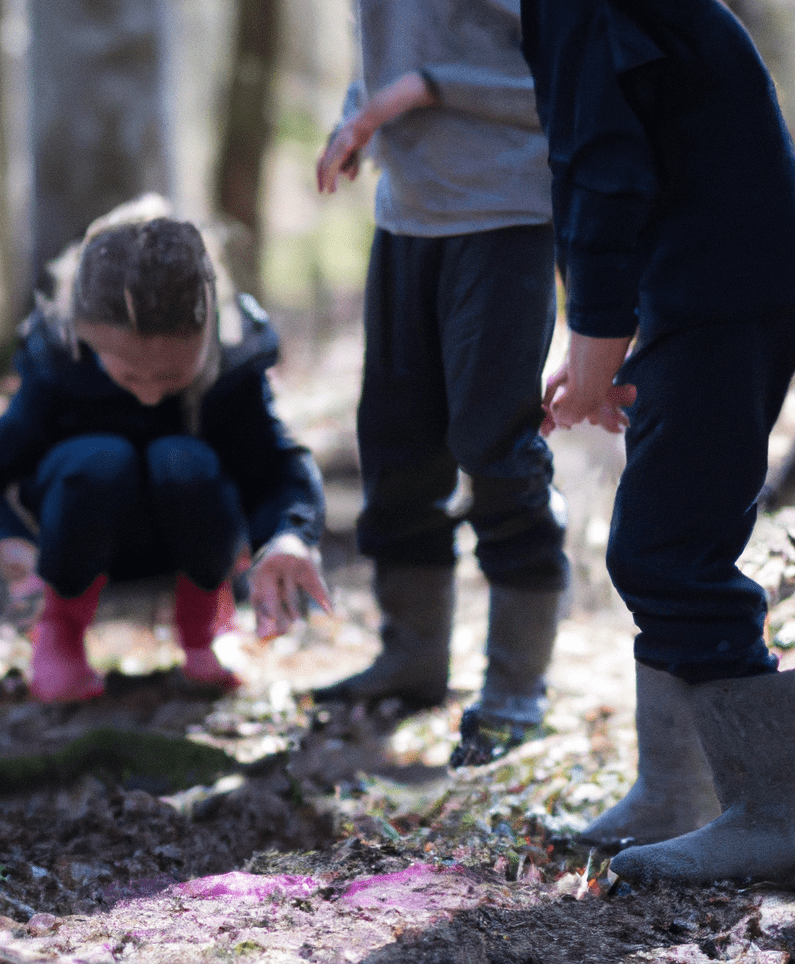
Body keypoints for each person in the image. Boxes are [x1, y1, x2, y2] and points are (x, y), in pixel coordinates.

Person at [521, 0, 795, 884]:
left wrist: (596, 343)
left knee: (669, 548)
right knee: (666, 533)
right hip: (706, 282)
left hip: (726, 285)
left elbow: (604, 171)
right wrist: (608, 337)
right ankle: (673, 795)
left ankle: (775, 811)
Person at [0, 195, 331, 702]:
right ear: (85, 337)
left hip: (196, 541)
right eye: (128, 373)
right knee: (99, 458)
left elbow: (279, 466)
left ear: (209, 328)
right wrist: (4, 543)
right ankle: (60, 636)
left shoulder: (235, 364)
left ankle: (206, 628)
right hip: (81, 542)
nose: (149, 392)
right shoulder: (60, 365)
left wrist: (289, 536)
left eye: (170, 375)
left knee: (183, 457)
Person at [313, 0, 570, 763]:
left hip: (505, 214)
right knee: (395, 445)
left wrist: (420, 89)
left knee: (495, 448)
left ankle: (517, 687)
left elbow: (571, 80)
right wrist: (357, 114)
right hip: (407, 218)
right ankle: (413, 659)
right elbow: (381, 58)